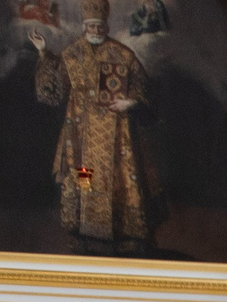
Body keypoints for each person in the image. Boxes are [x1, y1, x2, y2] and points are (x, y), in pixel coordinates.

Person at [31, 0, 161, 255]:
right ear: (84, 26)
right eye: (91, 26)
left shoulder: (123, 54)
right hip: (80, 134)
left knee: (119, 179)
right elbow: (53, 93)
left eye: (99, 26)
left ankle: (123, 234)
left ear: (106, 25)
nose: (95, 30)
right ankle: (84, 231)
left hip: (117, 133)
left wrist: (131, 101)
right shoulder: (72, 54)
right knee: (84, 177)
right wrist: (44, 54)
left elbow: (143, 88)